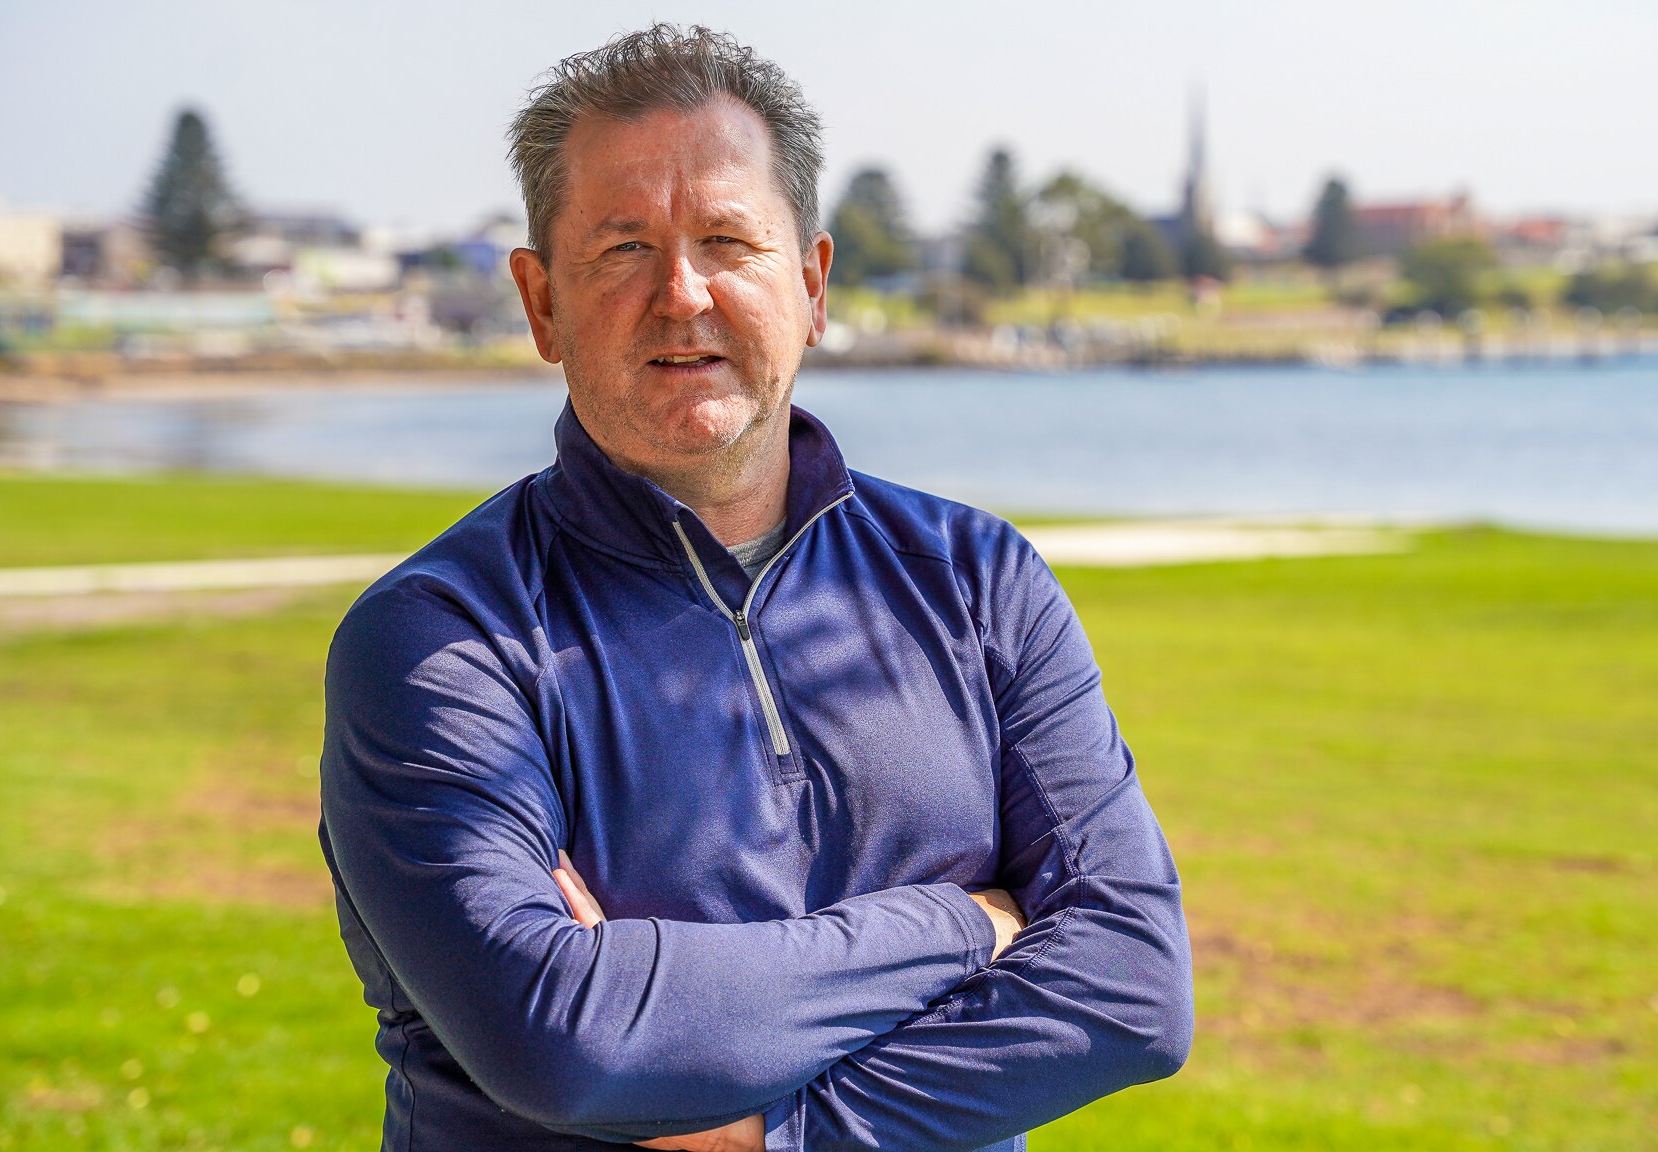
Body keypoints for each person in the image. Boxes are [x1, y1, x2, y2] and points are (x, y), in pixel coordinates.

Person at [318, 23, 1192, 1152]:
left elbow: (1129, 988)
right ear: (541, 304)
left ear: (812, 285)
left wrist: (767, 1135)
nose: (681, 294)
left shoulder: (979, 583)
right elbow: (563, 1038)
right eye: (622, 249)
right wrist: (962, 925)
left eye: (728, 240)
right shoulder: (441, 640)